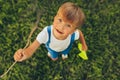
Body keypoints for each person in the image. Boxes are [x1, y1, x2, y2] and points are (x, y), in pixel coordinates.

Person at [14, 2, 88, 61]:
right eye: (60, 20)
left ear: (73, 31)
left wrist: (83, 44)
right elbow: (31, 48)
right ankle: (54, 57)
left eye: (68, 25)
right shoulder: (46, 33)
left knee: (65, 52)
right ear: (54, 18)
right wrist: (25, 53)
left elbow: (80, 34)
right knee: (54, 56)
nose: (61, 27)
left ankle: (64, 55)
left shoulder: (73, 34)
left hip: (66, 47)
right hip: (52, 49)